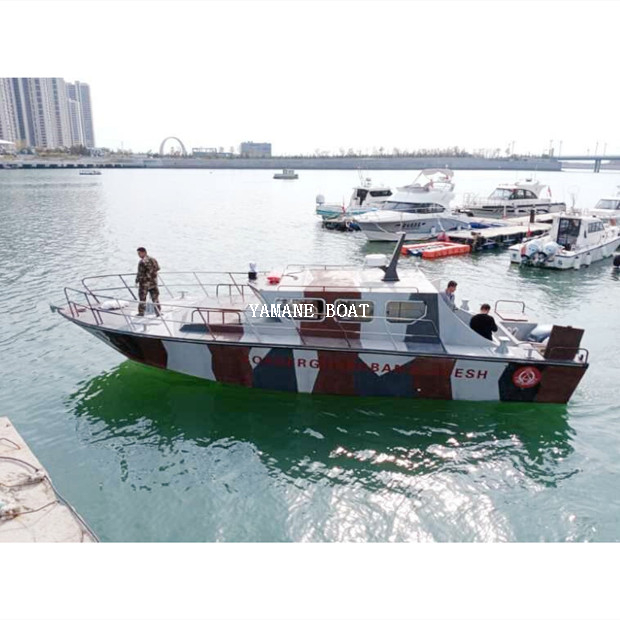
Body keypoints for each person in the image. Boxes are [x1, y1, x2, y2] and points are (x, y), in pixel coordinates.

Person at [135, 247, 161, 316]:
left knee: (142, 298)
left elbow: (140, 273)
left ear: (144, 252)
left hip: (144, 284)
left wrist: (137, 281)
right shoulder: (153, 259)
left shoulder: (142, 262)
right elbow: (158, 268)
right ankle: (158, 312)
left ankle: (141, 312)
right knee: (155, 298)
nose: (138, 255)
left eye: (139, 253)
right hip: (153, 283)